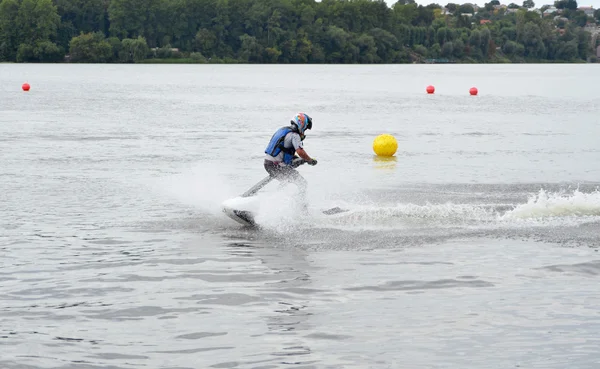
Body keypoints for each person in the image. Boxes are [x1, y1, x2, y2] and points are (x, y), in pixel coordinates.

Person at [264, 113, 318, 209]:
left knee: (286, 182)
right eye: (305, 128)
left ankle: (274, 202)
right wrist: (309, 160)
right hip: (277, 166)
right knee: (302, 183)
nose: (304, 131)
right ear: (302, 125)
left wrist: (299, 159)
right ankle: (301, 209)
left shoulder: (283, 130)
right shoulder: (294, 135)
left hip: (268, 164)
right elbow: (300, 152)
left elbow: (284, 152)